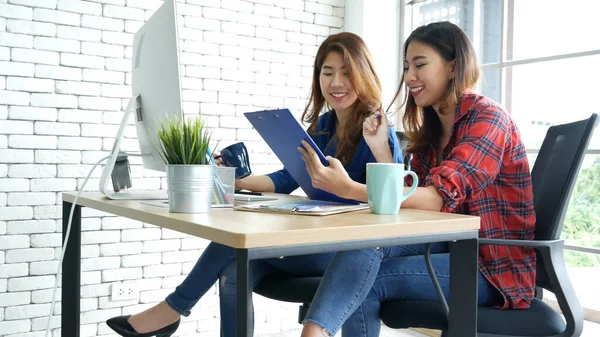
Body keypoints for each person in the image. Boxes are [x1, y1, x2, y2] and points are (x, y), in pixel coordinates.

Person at [105, 32, 404, 337]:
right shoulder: (323, 126)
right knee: (235, 265)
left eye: (346, 73)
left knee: (235, 243)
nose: (336, 83)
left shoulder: (376, 129)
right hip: (315, 238)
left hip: (346, 250)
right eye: (327, 73)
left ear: (363, 75)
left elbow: (390, 201)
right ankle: (172, 312)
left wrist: (346, 185)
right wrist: (240, 179)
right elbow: (288, 178)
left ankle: (170, 310)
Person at [297, 21, 536, 337]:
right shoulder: (432, 130)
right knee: (363, 248)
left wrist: (350, 189)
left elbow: (436, 199)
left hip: (489, 268)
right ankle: (315, 333)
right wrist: (381, 148)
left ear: (453, 66)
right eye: (407, 66)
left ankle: (314, 333)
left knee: (366, 282)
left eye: (420, 65)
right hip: (448, 248)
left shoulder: (489, 118)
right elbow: (413, 206)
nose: (409, 76)